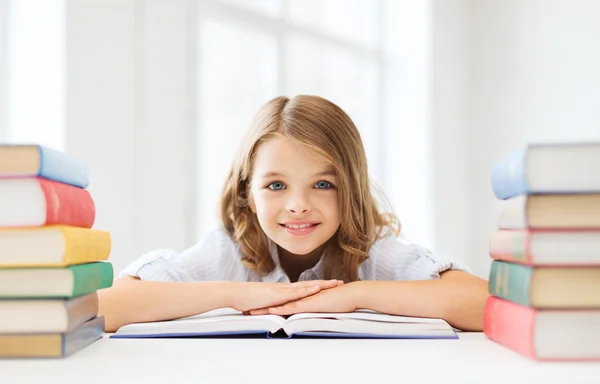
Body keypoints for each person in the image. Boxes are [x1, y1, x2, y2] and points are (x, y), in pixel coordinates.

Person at [98, 95, 488, 333]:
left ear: (350, 190)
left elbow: (482, 302)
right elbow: (105, 305)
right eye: (276, 186)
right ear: (247, 193)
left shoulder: (374, 253)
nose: (298, 205)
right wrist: (237, 294)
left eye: (323, 184)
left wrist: (351, 296)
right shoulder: (229, 251)